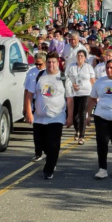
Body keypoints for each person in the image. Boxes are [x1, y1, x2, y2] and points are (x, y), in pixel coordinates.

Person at [24, 52, 73, 180]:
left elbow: (70, 99)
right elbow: (29, 95)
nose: (51, 65)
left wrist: (70, 117)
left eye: (54, 62)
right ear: (46, 63)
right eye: (49, 62)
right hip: (39, 117)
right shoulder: (39, 76)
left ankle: (49, 169)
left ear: (58, 63)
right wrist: (28, 112)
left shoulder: (63, 78)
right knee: (40, 144)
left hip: (57, 117)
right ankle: (50, 157)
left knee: (53, 144)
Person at [66, 50, 95, 145]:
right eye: (78, 56)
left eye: (82, 56)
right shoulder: (71, 66)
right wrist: (72, 84)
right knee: (75, 114)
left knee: (82, 112)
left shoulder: (88, 67)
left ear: (85, 58)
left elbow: (92, 80)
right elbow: (66, 77)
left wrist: (95, 93)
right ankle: (77, 130)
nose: (80, 57)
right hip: (73, 92)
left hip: (86, 92)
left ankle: (82, 136)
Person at [23, 52, 47, 162]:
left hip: (46, 103)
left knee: (46, 129)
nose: (37, 66)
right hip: (34, 102)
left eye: (40, 64)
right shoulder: (31, 72)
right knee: (37, 129)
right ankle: (38, 152)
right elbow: (27, 90)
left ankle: (47, 150)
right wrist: (26, 108)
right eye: (36, 64)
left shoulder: (48, 73)